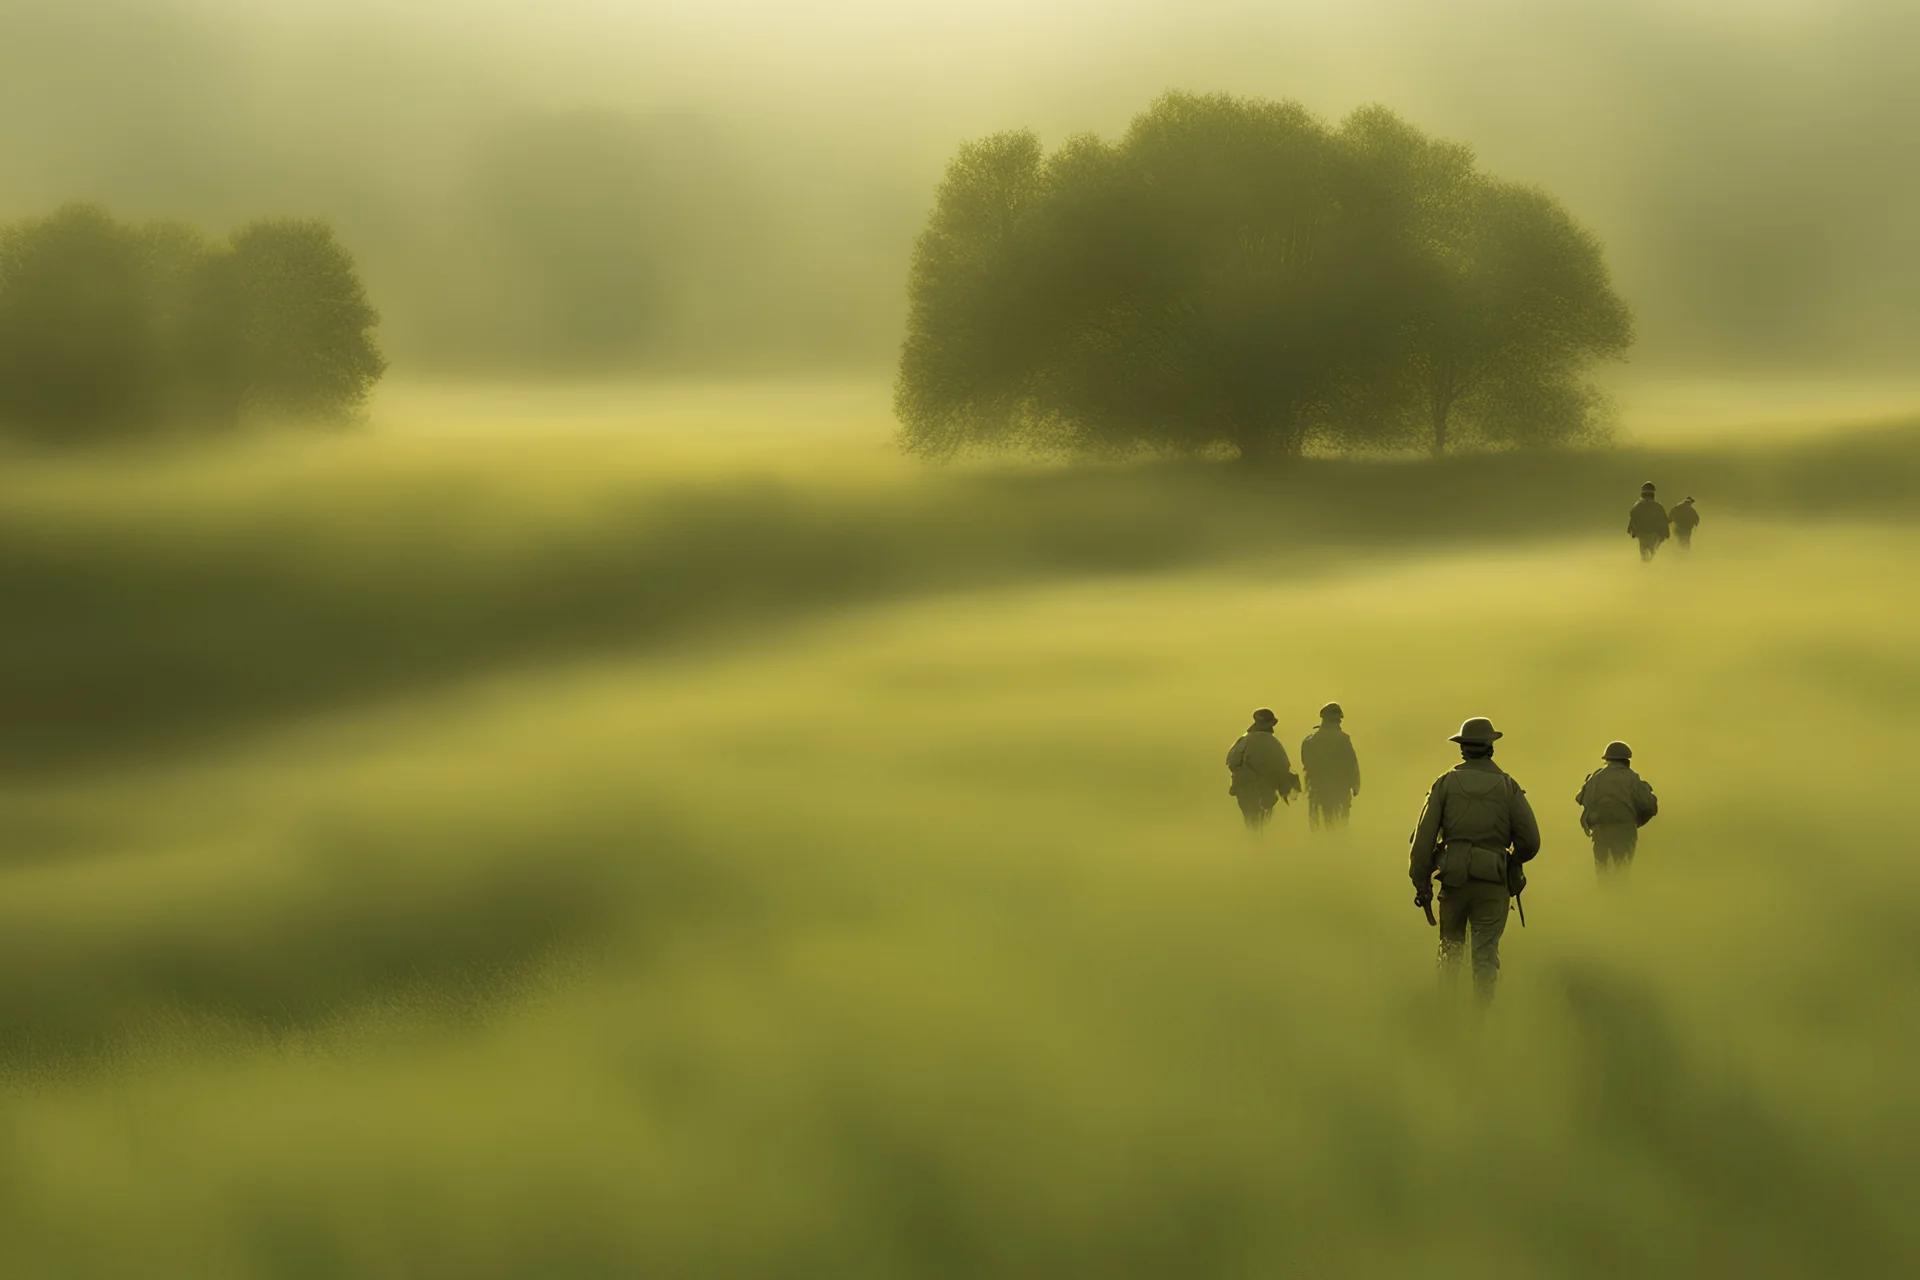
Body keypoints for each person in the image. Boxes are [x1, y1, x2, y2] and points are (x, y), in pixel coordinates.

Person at [1407, 717, 1541, 1005]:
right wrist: (1511, 860)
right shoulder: (1508, 786)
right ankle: (1482, 1019)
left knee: (1450, 950)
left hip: (1453, 880)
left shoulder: (1444, 784)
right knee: (1485, 954)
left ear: (1462, 748)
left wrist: (1421, 881)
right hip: (1493, 881)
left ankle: (1447, 1014)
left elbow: (1422, 840)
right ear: (1491, 746)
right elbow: (1530, 842)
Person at [1575, 741, 1659, 876]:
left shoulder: (1596, 778)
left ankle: (1604, 896)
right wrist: (1638, 821)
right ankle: (1621, 895)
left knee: (1602, 872)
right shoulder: (1632, 778)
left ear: (1607, 759)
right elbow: (1649, 805)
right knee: (1622, 870)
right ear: (1626, 760)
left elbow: (1582, 799)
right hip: (1624, 831)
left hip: (1600, 832)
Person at [1226, 708, 1299, 831]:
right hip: (1265, 790)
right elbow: (1283, 766)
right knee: (1263, 821)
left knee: (1250, 820)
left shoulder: (1243, 741)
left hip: (1244, 789)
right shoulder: (1274, 743)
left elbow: (1232, 763)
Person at [1300, 702, 1361, 830]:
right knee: (1339, 826)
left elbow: (1306, 763)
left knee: (1317, 826)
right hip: (1339, 790)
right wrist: (1355, 785)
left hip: (1317, 790)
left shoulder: (1310, 741)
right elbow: (1352, 764)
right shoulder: (1343, 740)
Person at [1628, 482, 1670, 561]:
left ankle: (1645, 566)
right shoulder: (1658, 507)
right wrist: (1666, 533)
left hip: (1642, 534)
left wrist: (1632, 531)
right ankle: (1649, 566)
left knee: (1644, 553)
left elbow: (1633, 519)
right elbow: (1664, 521)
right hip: (1653, 534)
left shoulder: (1637, 507)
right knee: (1652, 552)